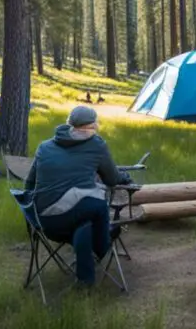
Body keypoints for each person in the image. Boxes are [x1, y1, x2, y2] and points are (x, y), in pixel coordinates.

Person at [24, 105, 131, 286]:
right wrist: (125, 178)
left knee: (84, 223)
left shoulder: (44, 146)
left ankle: (85, 281)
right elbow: (112, 179)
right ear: (93, 126)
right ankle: (103, 246)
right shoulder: (96, 144)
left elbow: (29, 184)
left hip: (45, 222)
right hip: (68, 217)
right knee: (97, 206)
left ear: (68, 123)